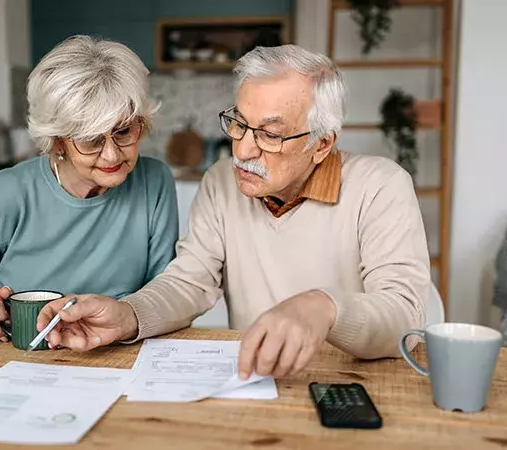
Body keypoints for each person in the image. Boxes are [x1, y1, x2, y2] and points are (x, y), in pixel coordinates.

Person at [37, 44, 430, 378]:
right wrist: (126, 315)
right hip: (258, 379)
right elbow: (189, 283)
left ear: (322, 144)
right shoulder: (222, 182)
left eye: (270, 135)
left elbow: (404, 317)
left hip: (359, 381)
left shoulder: (381, 186)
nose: (242, 150)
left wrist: (323, 306)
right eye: (239, 123)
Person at [0, 36, 178, 342]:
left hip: (117, 355)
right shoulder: (1, 196)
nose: (112, 154)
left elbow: (166, 294)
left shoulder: (154, 182)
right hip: (18, 358)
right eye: (91, 139)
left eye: (123, 132)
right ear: (57, 140)